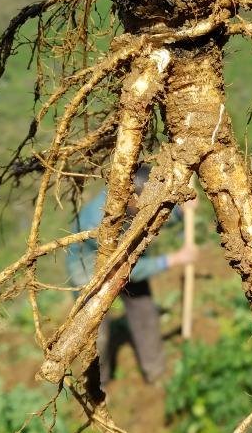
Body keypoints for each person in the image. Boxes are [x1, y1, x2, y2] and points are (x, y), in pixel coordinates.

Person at [66, 165, 197, 386]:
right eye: (145, 205)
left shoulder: (137, 200)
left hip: (128, 261)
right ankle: (97, 386)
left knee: (145, 313)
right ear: (130, 197)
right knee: (96, 336)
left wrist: (180, 211)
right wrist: (172, 260)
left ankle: (156, 373)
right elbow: (123, 270)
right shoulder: (98, 225)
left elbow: (155, 218)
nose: (150, 209)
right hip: (90, 273)